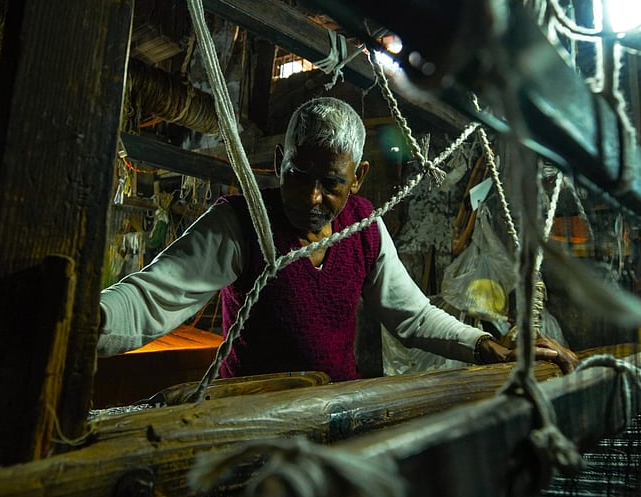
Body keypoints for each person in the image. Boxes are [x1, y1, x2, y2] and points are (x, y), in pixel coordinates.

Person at [98, 97, 578, 380]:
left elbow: (410, 315)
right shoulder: (243, 222)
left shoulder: (364, 226)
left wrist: (483, 345)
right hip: (245, 416)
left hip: (331, 410)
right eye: (297, 174)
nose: (311, 196)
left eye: (329, 183)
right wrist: (92, 320)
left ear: (358, 177)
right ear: (280, 162)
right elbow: (154, 296)